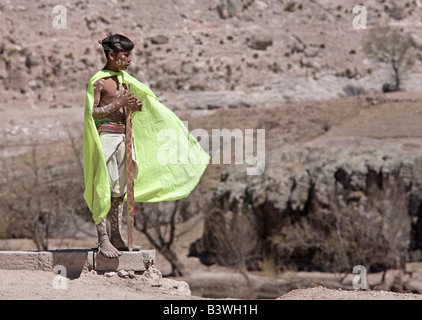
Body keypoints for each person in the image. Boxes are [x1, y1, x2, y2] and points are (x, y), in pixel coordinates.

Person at [83, 33, 210, 259]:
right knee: (103, 187)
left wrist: (134, 106)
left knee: (119, 191)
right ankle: (102, 239)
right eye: (126, 55)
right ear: (112, 55)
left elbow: (126, 109)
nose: (130, 60)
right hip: (107, 140)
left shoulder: (124, 80)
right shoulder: (99, 82)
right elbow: (93, 112)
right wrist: (120, 102)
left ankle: (116, 236)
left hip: (124, 139)